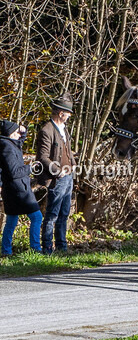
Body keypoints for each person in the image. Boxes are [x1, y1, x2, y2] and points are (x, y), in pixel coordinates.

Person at [36, 96, 76, 255]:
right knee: (52, 215)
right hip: (57, 179)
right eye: (68, 113)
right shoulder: (46, 130)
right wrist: (58, 171)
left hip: (69, 177)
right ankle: (47, 249)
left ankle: (62, 247)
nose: (69, 116)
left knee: (65, 213)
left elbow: (68, 149)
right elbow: (42, 157)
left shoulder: (64, 129)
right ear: (60, 113)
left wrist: (73, 164)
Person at [0, 120, 42, 256]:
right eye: (17, 132)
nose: (19, 134)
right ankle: (35, 248)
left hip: (14, 190)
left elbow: (19, 142)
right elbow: (14, 172)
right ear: (11, 134)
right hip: (18, 191)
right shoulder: (7, 148)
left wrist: (25, 131)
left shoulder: (9, 144)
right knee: (36, 217)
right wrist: (30, 168)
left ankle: (6, 251)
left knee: (12, 220)